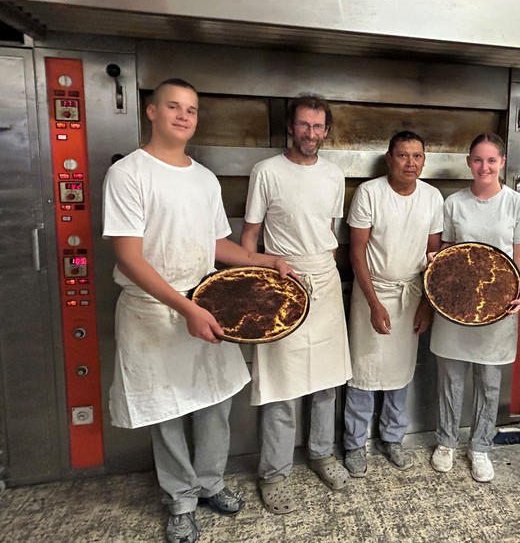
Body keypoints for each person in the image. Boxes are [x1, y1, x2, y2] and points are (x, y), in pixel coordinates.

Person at [102, 78, 293, 543]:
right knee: (166, 411)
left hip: (206, 304)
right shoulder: (129, 174)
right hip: (154, 312)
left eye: (191, 109)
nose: (184, 116)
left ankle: (210, 483)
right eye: (174, 106)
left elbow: (216, 245)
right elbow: (129, 256)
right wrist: (183, 306)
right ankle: (180, 499)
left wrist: (268, 261)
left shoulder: (204, 177)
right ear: (152, 112)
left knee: (214, 402)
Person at [241, 92, 352, 515]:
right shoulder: (266, 172)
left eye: (318, 126)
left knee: (326, 381)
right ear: (291, 127)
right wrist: (256, 285)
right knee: (281, 386)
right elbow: (250, 237)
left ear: (326, 130)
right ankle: (274, 472)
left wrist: (331, 275)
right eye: (304, 125)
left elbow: (328, 230)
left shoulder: (334, 175)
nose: (311, 133)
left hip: (323, 278)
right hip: (281, 283)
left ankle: (322, 453)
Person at [429, 133, 520, 483]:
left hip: (498, 304)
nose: (484, 167)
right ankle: (446, 441)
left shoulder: (518, 205)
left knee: (490, 382)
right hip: (455, 305)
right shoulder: (454, 203)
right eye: (478, 160)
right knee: (450, 379)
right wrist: (435, 265)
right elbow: (446, 250)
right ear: (468, 162)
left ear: (502, 162)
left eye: (491, 160)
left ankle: (481, 446)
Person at [343, 131, 443, 477]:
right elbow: (357, 251)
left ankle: (392, 438)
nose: (410, 163)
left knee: (401, 372)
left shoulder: (432, 198)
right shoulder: (370, 193)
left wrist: (427, 304)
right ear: (390, 158)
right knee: (363, 371)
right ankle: (355, 444)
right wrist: (373, 303)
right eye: (403, 155)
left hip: (411, 293)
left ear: (424, 160)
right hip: (371, 291)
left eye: (417, 156)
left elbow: (434, 256)